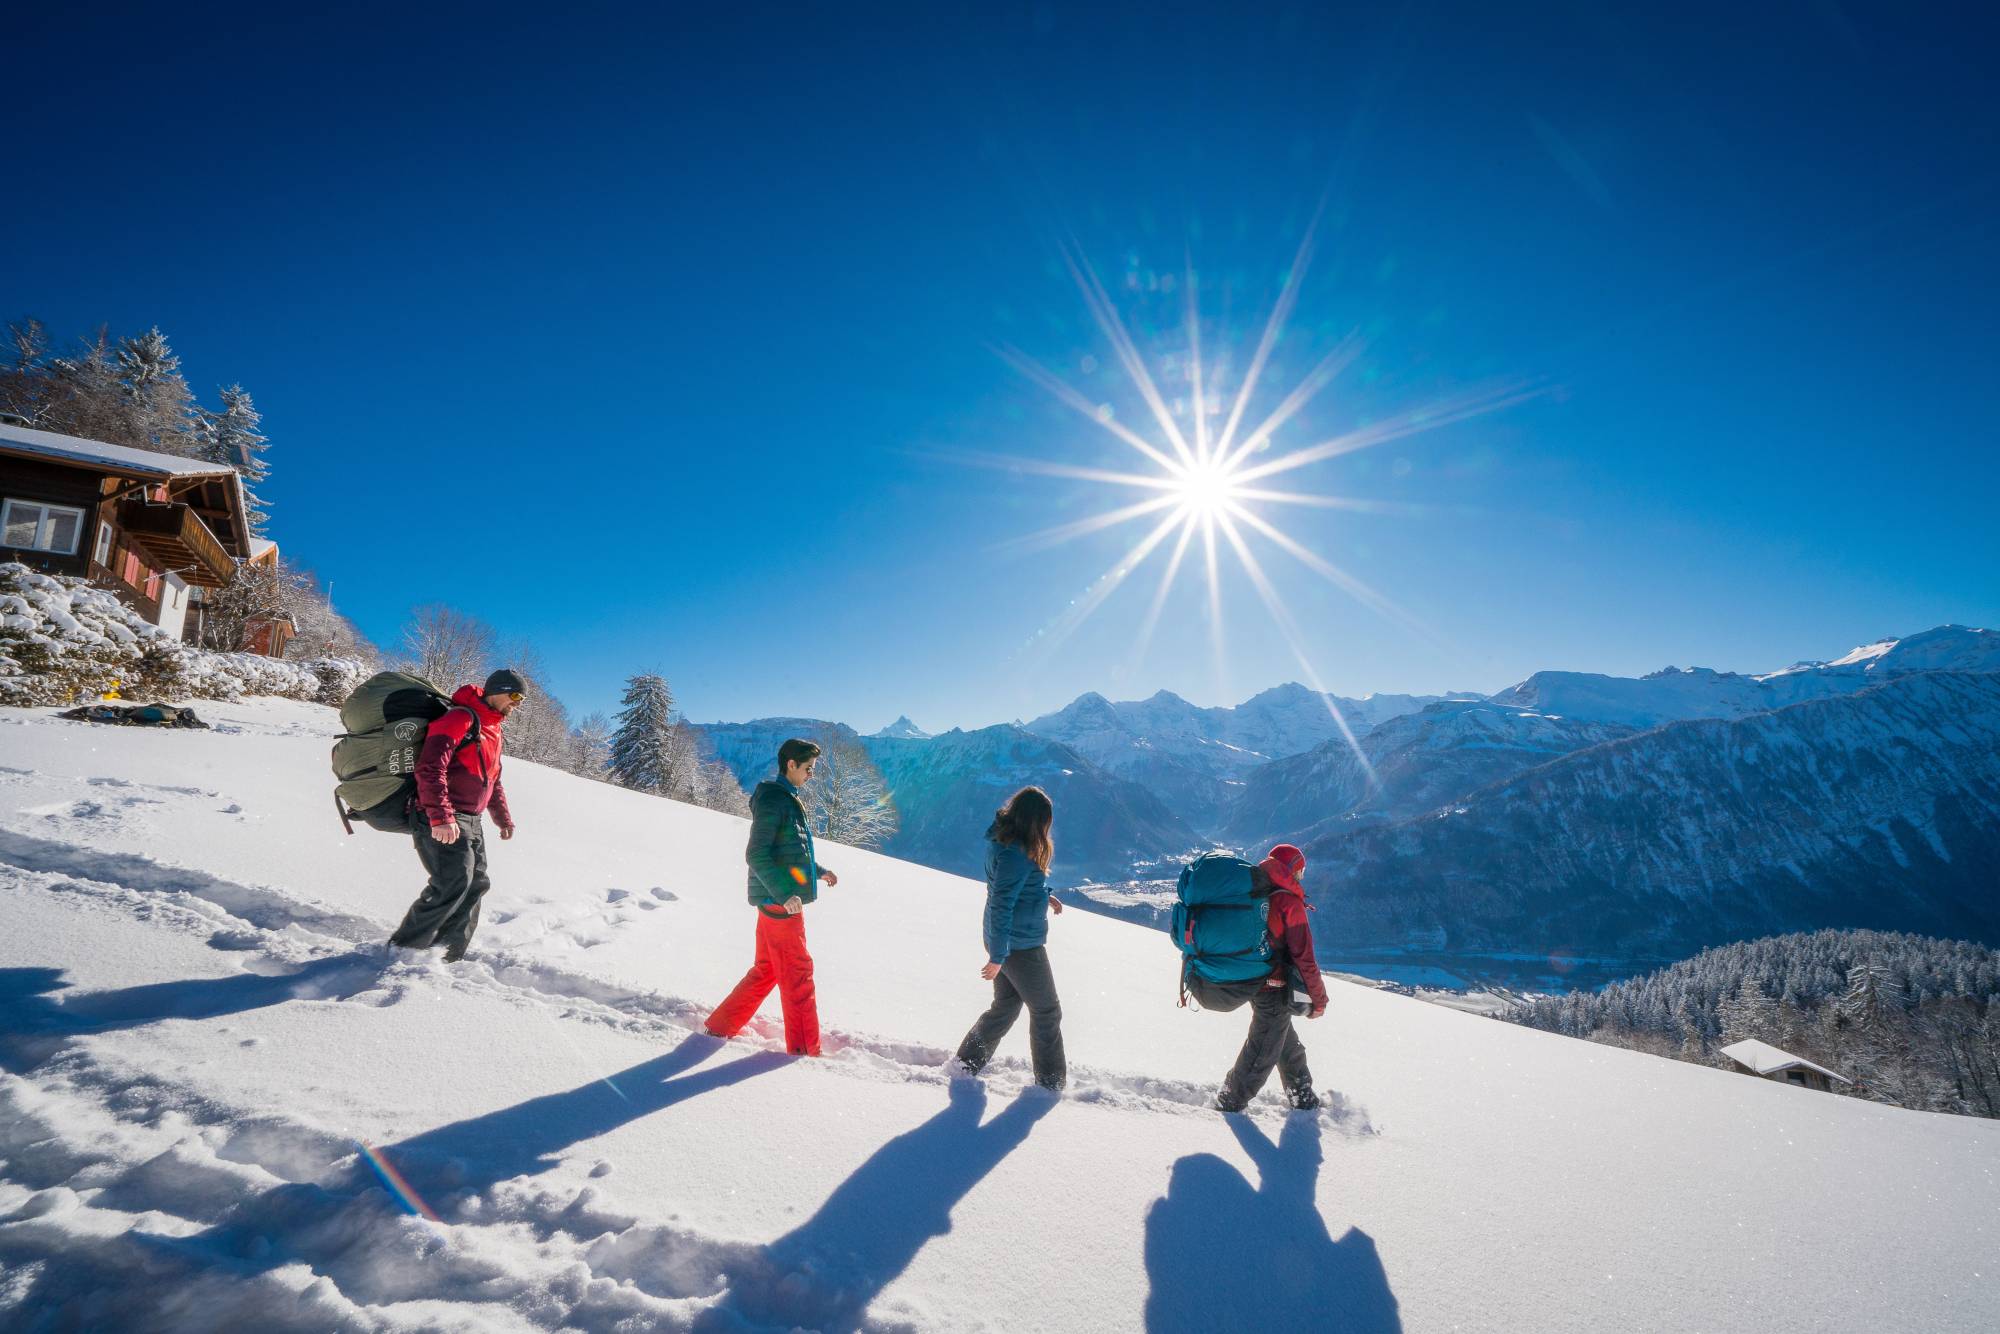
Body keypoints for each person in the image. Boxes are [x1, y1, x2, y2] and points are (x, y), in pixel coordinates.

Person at [705, 737, 839, 1056]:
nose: (811, 774)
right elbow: (757, 853)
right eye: (808, 768)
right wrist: (785, 893)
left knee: (766, 969)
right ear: (790, 764)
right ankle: (805, 1051)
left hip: (774, 901)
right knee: (798, 975)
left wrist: (817, 871)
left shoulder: (784, 797)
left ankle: (720, 1025)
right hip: (780, 904)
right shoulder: (774, 800)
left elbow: (789, 850)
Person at [388, 668, 524, 962]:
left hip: (470, 821)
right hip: (441, 814)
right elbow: (430, 767)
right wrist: (440, 816)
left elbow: (492, 779)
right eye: (514, 695)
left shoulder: (493, 730)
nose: (517, 703)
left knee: (476, 884)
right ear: (496, 691)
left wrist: (502, 817)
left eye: (521, 698)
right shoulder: (459, 718)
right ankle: (402, 950)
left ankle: (446, 956)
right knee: (453, 882)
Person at [1187, 843, 1328, 1112]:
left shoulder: (1257, 890)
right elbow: (1305, 959)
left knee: (1284, 1042)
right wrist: (1318, 1000)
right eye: (1300, 870)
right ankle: (1229, 1101)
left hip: (1255, 978)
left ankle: (1303, 1096)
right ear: (1292, 870)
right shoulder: (1288, 901)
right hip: (1273, 986)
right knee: (1263, 1051)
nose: (1302, 876)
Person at [953, 786, 1067, 1091]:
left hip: (1004, 938)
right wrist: (999, 956)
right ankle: (1051, 1083)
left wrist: (1047, 897)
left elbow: (1019, 888)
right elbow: (1004, 900)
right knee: (1047, 1011)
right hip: (1019, 945)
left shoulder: (1007, 842)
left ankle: (965, 1063)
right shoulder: (1016, 852)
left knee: (1006, 1006)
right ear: (1036, 820)